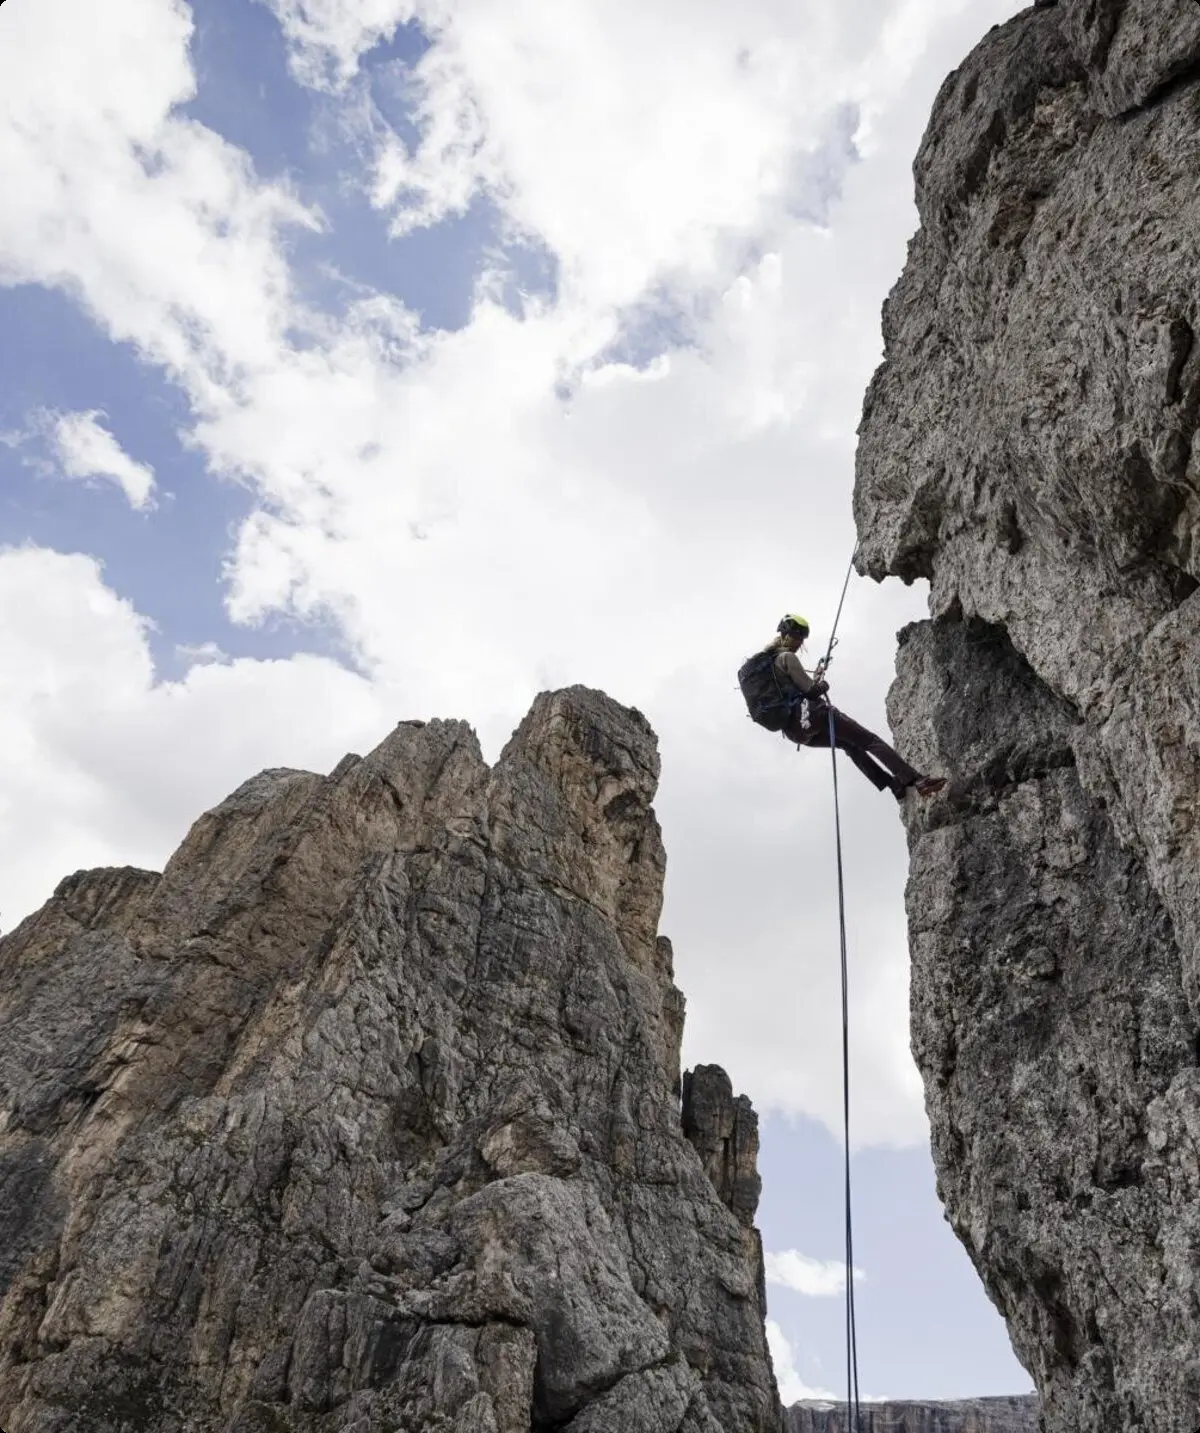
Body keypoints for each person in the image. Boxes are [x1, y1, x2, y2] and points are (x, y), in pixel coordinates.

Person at [768, 614, 946, 800]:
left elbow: (799, 694)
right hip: (814, 716)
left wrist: (815, 678)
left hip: (795, 733)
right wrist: (823, 684)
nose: (800, 643)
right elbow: (812, 692)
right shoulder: (787, 657)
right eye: (800, 638)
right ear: (790, 635)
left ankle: (895, 787)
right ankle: (916, 781)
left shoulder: (769, 668)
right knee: (869, 740)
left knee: (848, 743)